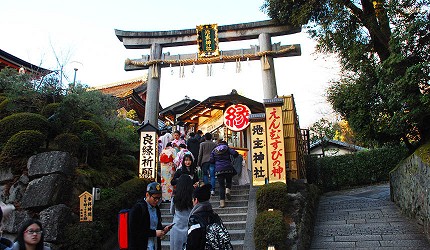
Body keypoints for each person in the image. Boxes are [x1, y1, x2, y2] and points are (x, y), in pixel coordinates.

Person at [128, 182, 171, 250]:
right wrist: (154, 233)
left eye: (159, 198)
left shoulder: (156, 208)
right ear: (147, 195)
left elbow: (155, 226)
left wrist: (163, 230)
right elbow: (134, 231)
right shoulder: (138, 209)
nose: (157, 201)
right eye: (155, 198)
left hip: (154, 245)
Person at [185, 184, 214, 249]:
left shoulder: (195, 219)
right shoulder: (213, 215)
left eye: (193, 199)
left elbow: (192, 243)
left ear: (196, 200)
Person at [210, 140, 238, 208]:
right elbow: (235, 153)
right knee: (229, 181)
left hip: (219, 170)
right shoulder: (227, 148)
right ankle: (227, 190)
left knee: (221, 186)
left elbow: (211, 160)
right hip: (228, 168)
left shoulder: (214, 150)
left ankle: (222, 203)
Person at [169, 175, 194, 250]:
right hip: (190, 228)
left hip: (176, 227)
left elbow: (171, 211)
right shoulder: (193, 198)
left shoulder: (175, 198)